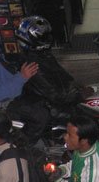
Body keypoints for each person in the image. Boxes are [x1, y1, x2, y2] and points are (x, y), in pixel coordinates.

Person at [7, 16, 82, 145]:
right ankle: (23, 149)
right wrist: (79, 94)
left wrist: (77, 86)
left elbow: (61, 74)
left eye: (47, 36)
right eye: (43, 37)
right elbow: (56, 94)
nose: (47, 40)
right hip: (39, 102)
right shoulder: (32, 64)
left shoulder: (42, 55)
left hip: (46, 97)